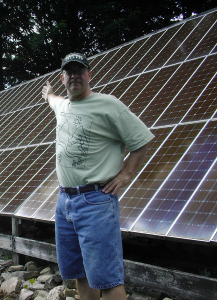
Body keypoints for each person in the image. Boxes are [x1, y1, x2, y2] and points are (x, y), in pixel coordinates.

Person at [41, 53, 154, 300]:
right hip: (65, 202)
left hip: (96, 202)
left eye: (79, 71)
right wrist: (48, 93)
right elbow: (54, 100)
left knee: (107, 279)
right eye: (69, 72)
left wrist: (126, 173)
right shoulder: (63, 106)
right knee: (80, 273)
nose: (74, 76)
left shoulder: (108, 104)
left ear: (89, 75)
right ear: (63, 78)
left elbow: (141, 139)